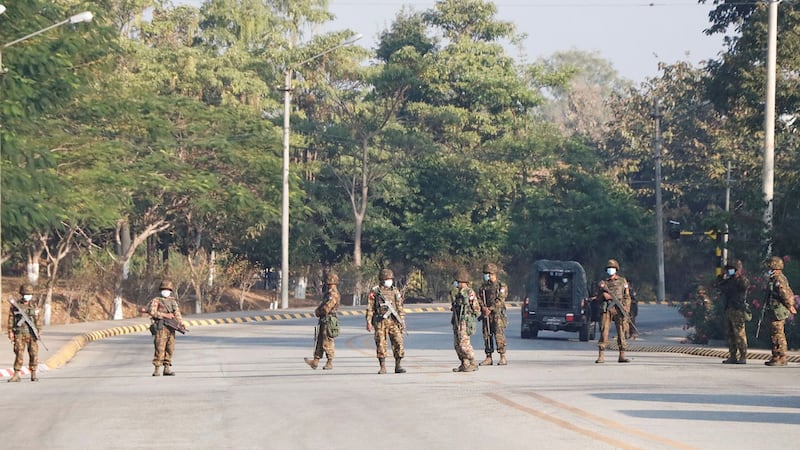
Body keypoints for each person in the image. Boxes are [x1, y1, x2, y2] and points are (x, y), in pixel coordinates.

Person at [366, 269, 406, 374]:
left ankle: (398, 365)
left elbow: (400, 307)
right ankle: (382, 366)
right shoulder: (375, 291)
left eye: (390, 279)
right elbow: (370, 308)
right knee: (381, 344)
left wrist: (402, 321)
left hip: (393, 321)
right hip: (380, 321)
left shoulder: (395, 291)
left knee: (398, 342)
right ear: (382, 280)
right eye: (387, 279)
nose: (389, 281)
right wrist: (369, 322)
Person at [595, 259, 632, 364]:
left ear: (616, 269)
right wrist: (603, 295)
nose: (611, 270)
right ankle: (601, 355)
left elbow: (627, 296)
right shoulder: (603, 283)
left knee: (621, 331)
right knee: (604, 331)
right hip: (607, 309)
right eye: (609, 268)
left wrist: (626, 308)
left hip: (619, 309)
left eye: (613, 268)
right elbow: (597, 298)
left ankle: (622, 355)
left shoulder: (622, 281)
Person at [714, 260, 750, 364]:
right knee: (729, 334)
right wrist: (721, 276)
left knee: (739, 334)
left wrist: (737, 275)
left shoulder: (741, 280)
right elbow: (717, 285)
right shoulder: (728, 280)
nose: (729, 271)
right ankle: (732, 355)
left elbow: (744, 286)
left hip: (737, 309)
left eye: (731, 269)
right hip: (728, 309)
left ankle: (743, 356)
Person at [763, 256, 796, 367]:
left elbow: (784, 293)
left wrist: (790, 306)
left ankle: (781, 356)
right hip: (773, 310)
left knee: (778, 334)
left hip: (778, 310)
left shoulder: (779, 279)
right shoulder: (773, 279)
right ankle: (775, 356)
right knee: (774, 334)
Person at [148, 280, 185, 376]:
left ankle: (167, 368)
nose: (166, 291)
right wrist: (165, 315)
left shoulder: (172, 301)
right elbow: (152, 312)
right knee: (159, 348)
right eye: (164, 289)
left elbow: (177, 313)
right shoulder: (156, 300)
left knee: (170, 348)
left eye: (168, 289)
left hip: (171, 328)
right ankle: (157, 369)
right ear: (161, 290)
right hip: (161, 327)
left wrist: (181, 323)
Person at [7, 284, 43, 382]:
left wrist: (39, 331)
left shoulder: (34, 305)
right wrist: (10, 331)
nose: (28, 296)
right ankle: (16, 374)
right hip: (19, 333)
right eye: (26, 294)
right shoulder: (16, 305)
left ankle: (33, 373)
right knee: (19, 353)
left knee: (33, 353)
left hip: (31, 333)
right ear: (22, 294)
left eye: (29, 294)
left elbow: (38, 320)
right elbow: (11, 318)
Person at [305, 272, 341, 370]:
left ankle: (329, 362)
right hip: (324, 319)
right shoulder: (329, 293)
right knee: (320, 340)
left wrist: (319, 311)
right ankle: (315, 361)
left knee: (327, 341)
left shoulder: (333, 293)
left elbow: (327, 308)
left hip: (329, 319)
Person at [478, 263, 509, 366]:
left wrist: (490, 309)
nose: (486, 276)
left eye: (487, 273)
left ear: (493, 274)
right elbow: (479, 298)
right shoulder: (483, 287)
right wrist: (483, 308)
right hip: (487, 315)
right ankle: (488, 357)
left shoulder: (501, 286)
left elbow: (501, 300)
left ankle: (502, 356)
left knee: (499, 335)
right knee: (487, 335)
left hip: (497, 315)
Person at [451, 270, 481, 372]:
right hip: (457, 321)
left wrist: (470, 315)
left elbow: (476, 309)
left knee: (464, 344)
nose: (455, 283)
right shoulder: (457, 293)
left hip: (465, 321)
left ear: (461, 281)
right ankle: (464, 363)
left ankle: (473, 362)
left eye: (457, 281)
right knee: (457, 344)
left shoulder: (469, 292)